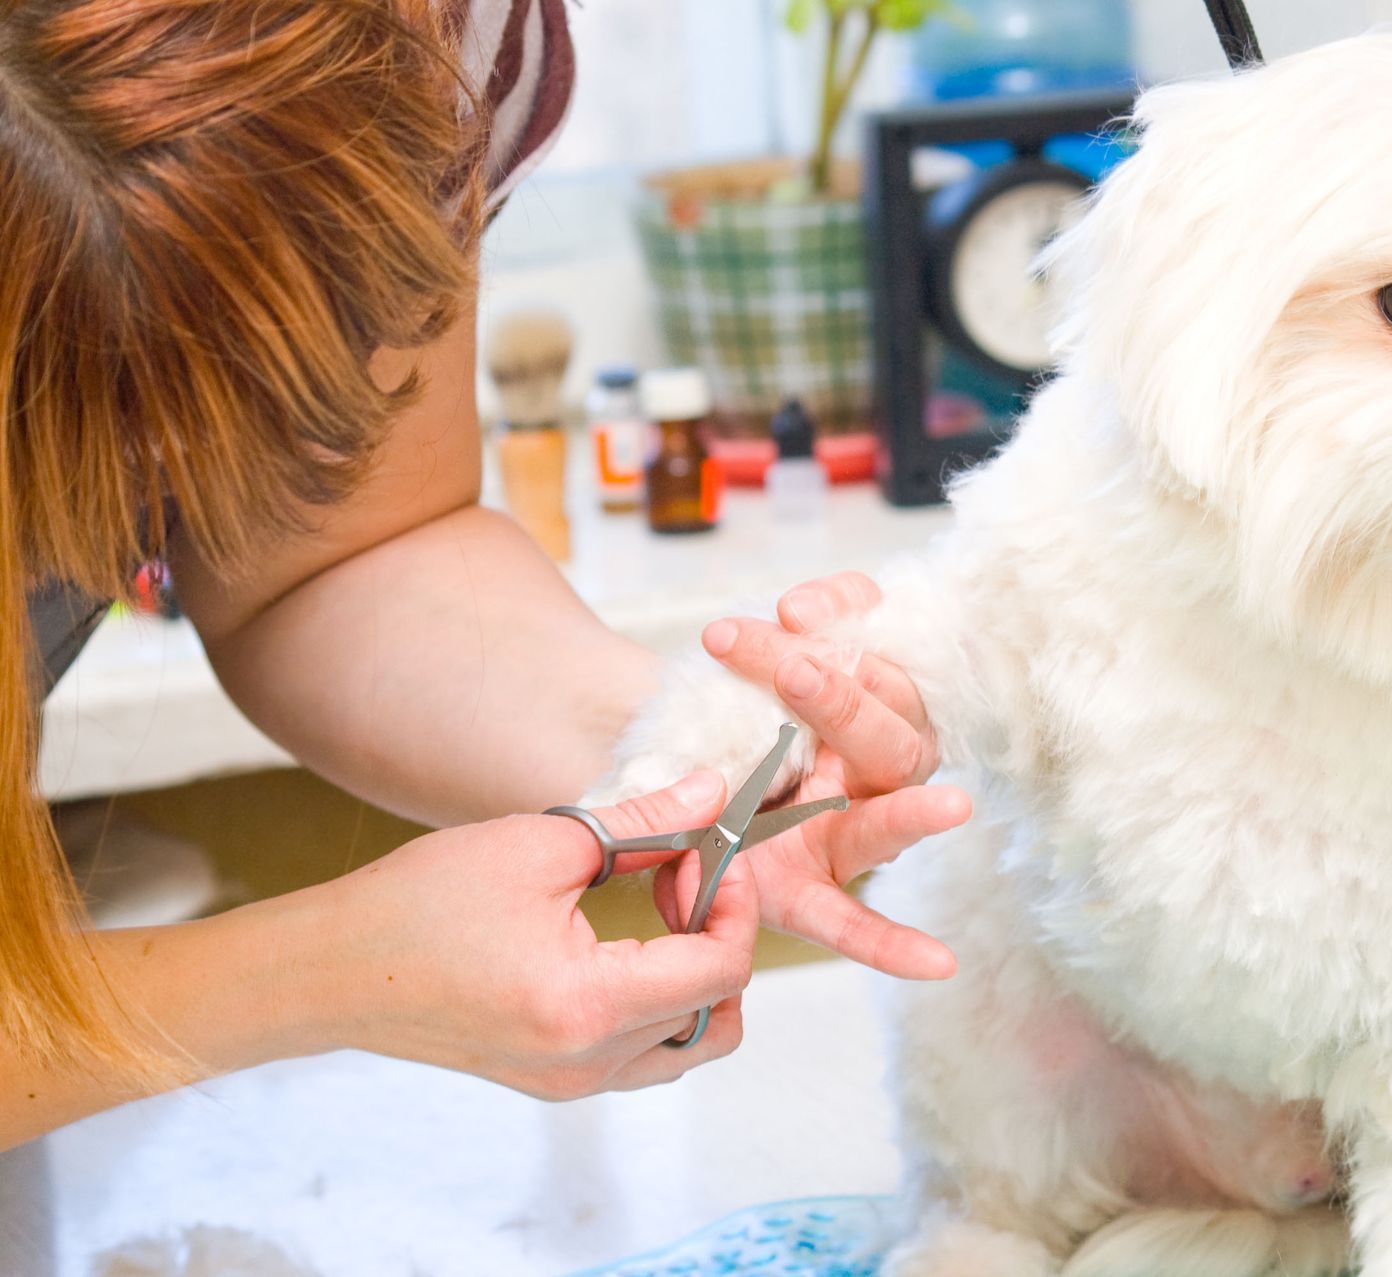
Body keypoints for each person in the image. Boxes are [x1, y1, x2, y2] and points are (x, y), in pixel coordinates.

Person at [0, 0, 967, 1150]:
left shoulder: (428, 46)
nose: (119, 561)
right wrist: (324, 970)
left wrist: (685, 757)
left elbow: (340, 553)